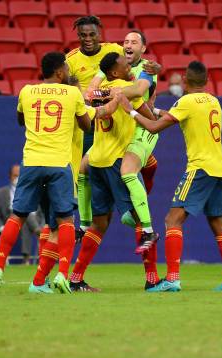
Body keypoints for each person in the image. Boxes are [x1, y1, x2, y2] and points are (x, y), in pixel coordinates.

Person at [0, 51, 120, 294]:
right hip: (59, 164)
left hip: (32, 161)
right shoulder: (71, 94)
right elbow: (86, 125)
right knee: (65, 220)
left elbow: (20, 120)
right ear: (59, 72)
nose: (68, 72)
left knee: (18, 216)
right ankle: (62, 275)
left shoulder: (26, 91)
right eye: (66, 69)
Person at [118, 61, 222, 292]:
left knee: (172, 220)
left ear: (185, 80)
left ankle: (172, 278)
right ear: (206, 81)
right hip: (219, 169)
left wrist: (131, 111)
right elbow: (174, 116)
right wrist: (151, 109)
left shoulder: (185, 102)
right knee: (218, 224)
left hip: (199, 168)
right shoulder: (213, 101)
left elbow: (154, 128)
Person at [69, 52, 159, 291]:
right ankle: (152, 281)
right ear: (115, 72)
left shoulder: (99, 91)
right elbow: (150, 121)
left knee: (99, 224)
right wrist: (153, 105)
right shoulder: (124, 88)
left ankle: (76, 279)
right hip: (118, 161)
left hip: (96, 160)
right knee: (142, 220)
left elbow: (93, 94)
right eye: (123, 61)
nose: (127, 62)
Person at [68, 18, 160, 238]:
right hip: (110, 144)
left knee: (122, 173)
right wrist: (150, 113)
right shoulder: (121, 84)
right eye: (126, 41)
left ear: (143, 48)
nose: (127, 46)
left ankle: (87, 225)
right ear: (116, 71)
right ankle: (144, 226)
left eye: (133, 42)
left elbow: (96, 95)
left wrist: (101, 99)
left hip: (124, 140)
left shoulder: (142, 71)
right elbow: (147, 114)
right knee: (88, 172)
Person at [0, 164, 43, 265]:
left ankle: (26, 258)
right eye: (15, 176)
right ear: (10, 176)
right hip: (12, 220)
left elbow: (43, 212)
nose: (18, 178)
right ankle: (37, 232)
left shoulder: (34, 190)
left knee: (25, 220)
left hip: (30, 220)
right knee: (23, 215)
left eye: (20, 175)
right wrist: (1, 228)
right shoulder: (0, 192)